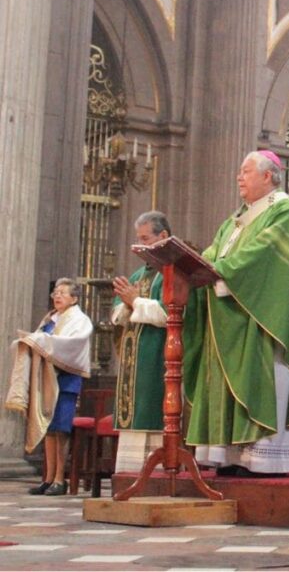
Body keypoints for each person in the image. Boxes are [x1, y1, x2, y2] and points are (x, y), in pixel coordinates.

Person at [183, 150, 289, 476]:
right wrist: (193, 265)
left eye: (245, 171)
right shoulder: (236, 219)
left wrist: (222, 271)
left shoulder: (284, 211)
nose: (238, 177)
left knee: (261, 376)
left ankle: (261, 459)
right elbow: (212, 253)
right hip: (227, 313)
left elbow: (264, 254)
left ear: (268, 176)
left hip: (262, 316)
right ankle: (230, 456)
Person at [5, 278, 93, 495]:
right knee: (48, 428)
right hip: (46, 378)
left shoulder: (80, 320)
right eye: (55, 292)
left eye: (63, 292)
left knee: (61, 429)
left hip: (65, 379)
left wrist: (41, 341)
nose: (57, 296)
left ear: (74, 298)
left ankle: (60, 479)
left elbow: (72, 345)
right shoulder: (50, 319)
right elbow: (41, 341)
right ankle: (48, 478)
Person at [110, 211, 172, 472]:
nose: (139, 245)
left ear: (163, 236)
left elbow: (171, 314)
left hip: (157, 359)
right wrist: (127, 304)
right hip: (133, 364)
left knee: (152, 412)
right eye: (138, 239)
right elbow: (117, 316)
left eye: (145, 239)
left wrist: (135, 301)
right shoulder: (137, 275)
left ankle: (154, 475)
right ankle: (129, 476)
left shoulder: (172, 272)